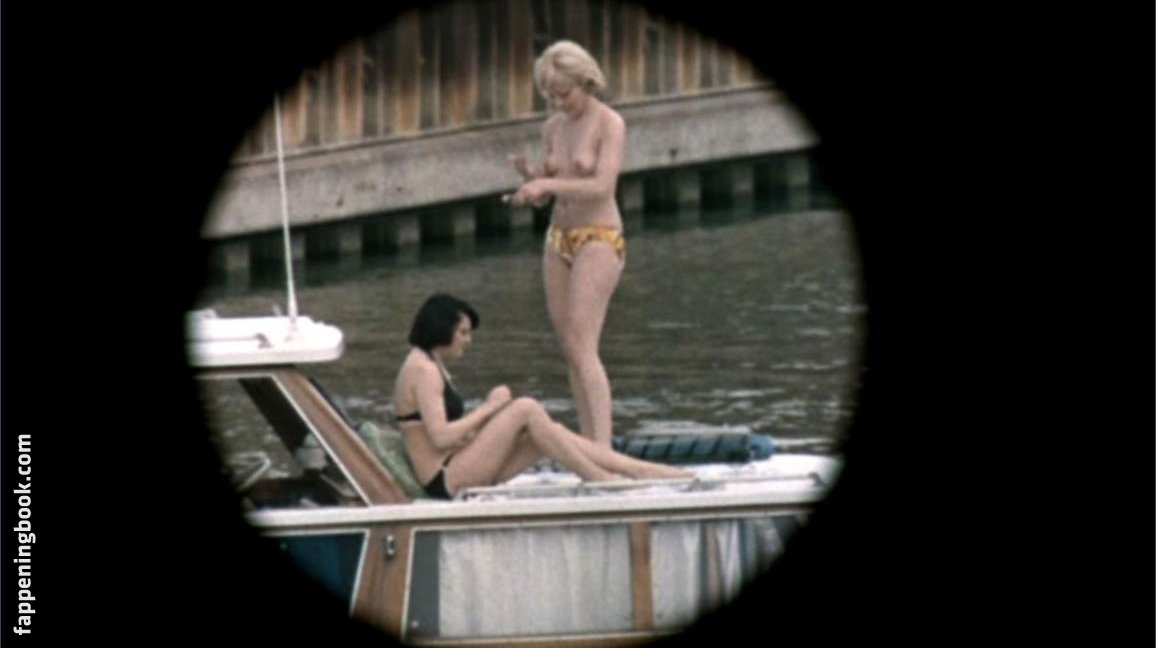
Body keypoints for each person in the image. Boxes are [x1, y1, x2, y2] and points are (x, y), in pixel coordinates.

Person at [392, 293, 690, 500]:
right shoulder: (422, 370)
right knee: (525, 408)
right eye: (463, 333)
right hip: (445, 478)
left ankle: (640, 470)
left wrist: (488, 418)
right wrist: (490, 408)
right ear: (442, 329)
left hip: (458, 464)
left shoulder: (432, 362)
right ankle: (602, 480)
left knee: (548, 432)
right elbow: (441, 437)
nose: (468, 341)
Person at [507, 40, 627, 448]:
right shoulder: (552, 127)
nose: (559, 103)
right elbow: (548, 191)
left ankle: (603, 449)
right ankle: (588, 440)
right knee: (570, 348)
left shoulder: (609, 123)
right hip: (559, 237)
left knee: (583, 343)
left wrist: (548, 183)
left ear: (585, 81)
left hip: (599, 236)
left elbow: (601, 185)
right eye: (551, 97)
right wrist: (531, 181)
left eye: (564, 94)